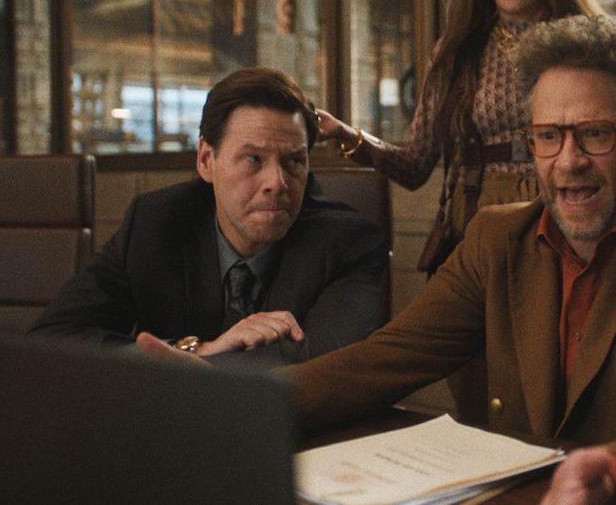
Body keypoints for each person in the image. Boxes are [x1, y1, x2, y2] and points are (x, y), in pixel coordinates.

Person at [140, 15, 616, 504]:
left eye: (596, 133)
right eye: (547, 137)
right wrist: (224, 406)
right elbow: (382, 361)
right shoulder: (498, 237)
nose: (568, 162)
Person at [316, 0, 602, 421]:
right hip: (475, 232)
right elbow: (416, 164)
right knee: (473, 388)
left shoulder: (588, 40)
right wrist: (349, 138)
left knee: (562, 388)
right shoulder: (459, 52)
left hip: (569, 227)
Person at [30, 68, 388, 367]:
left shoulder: (349, 243)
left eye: (294, 161)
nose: (277, 183)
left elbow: (324, 367)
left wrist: (184, 365)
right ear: (205, 160)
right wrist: (199, 348)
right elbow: (54, 338)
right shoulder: (155, 222)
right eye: (253, 159)